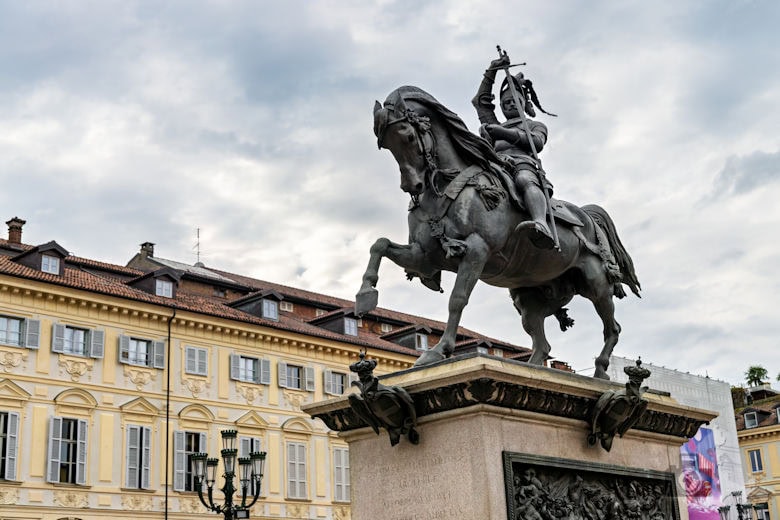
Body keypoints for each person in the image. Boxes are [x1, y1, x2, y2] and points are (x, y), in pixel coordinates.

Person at [472, 53, 557, 249]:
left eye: (514, 101)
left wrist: (504, 133)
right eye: (505, 102)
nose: (509, 104)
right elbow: (480, 102)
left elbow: (536, 143)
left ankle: (540, 223)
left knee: (524, 180)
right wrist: (491, 70)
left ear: (523, 103)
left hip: (522, 164)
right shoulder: (493, 123)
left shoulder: (534, 125)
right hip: (494, 165)